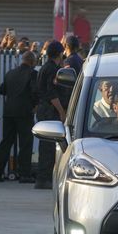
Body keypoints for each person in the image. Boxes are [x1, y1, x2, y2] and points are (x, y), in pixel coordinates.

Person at [0, 51, 38, 183]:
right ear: (32, 61)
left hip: (9, 112)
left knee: (6, 142)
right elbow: (35, 91)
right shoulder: (33, 73)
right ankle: (24, 174)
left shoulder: (10, 73)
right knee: (25, 144)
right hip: (25, 112)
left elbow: (2, 90)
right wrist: (35, 105)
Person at [35, 41, 68, 189]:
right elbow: (51, 93)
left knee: (46, 145)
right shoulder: (52, 69)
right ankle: (44, 178)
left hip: (44, 108)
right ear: (60, 54)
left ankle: (43, 177)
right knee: (48, 145)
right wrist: (61, 111)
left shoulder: (45, 67)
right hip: (49, 110)